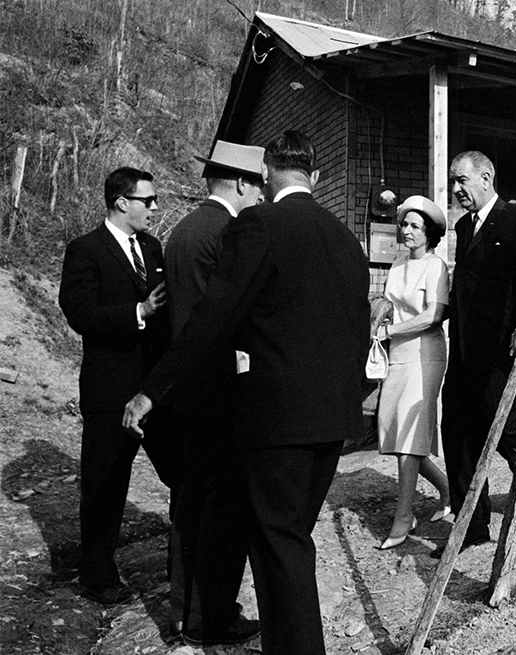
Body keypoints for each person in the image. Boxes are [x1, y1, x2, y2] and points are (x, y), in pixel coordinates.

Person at [123, 131, 371, 655]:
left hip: (277, 420)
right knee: (291, 540)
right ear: (316, 176)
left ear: (264, 174)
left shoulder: (259, 224)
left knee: (280, 546)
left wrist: (153, 389)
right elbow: (358, 328)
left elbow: (214, 318)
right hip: (334, 420)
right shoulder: (346, 238)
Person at [58, 167, 178, 606]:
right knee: (105, 486)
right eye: (148, 200)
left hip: (154, 390)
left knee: (180, 473)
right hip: (109, 391)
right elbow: (80, 314)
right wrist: (138, 311)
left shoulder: (152, 246)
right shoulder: (85, 250)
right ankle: (98, 576)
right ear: (122, 202)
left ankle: (180, 570)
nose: (154, 207)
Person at [161, 141, 264, 646]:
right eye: (258, 186)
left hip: (183, 389)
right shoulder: (227, 232)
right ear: (242, 183)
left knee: (188, 502)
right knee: (219, 509)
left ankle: (183, 608)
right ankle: (211, 616)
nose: (260, 195)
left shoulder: (182, 229)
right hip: (218, 388)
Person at [441, 151, 516, 557]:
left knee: (504, 428)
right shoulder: (464, 227)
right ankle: (471, 526)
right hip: (465, 349)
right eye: (454, 181)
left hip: (503, 349)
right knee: (457, 432)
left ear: (486, 177)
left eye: (462, 180)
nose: (456, 189)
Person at [374, 195, 452, 550]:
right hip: (397, 355)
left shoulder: (436, 266)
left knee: (409, 438)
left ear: (429, 233)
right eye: (404, 224)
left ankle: (403, 518)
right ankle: (448, 488)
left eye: (415, 226)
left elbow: (433, 315)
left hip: (426, 355)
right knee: (398, 437)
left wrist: (392, 330)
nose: (406, 230)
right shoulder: (397, 266)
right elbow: (391, 305)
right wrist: (380, 315)